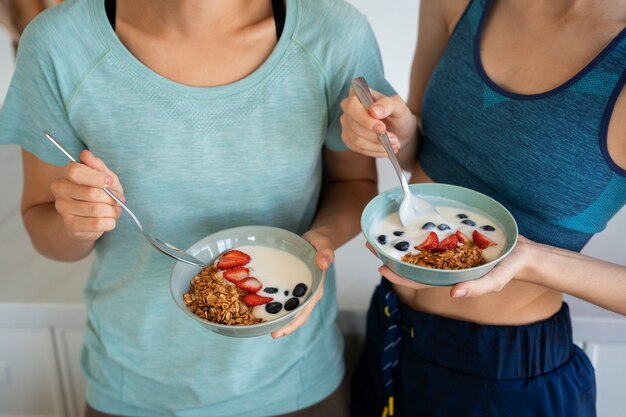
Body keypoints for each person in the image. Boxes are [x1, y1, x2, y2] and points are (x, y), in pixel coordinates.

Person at [0, 0, 394, 415]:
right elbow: (45, 225)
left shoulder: (333, 34)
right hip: (133, 388)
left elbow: (354, 181)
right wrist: (76, 222)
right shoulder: (58, 43)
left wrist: (320, 243)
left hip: (296, 381)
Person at [340, 0, 626, 416]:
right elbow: (432, 150)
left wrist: (531, 260)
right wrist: (398, 132)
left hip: (505, 381)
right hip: (390, 327)